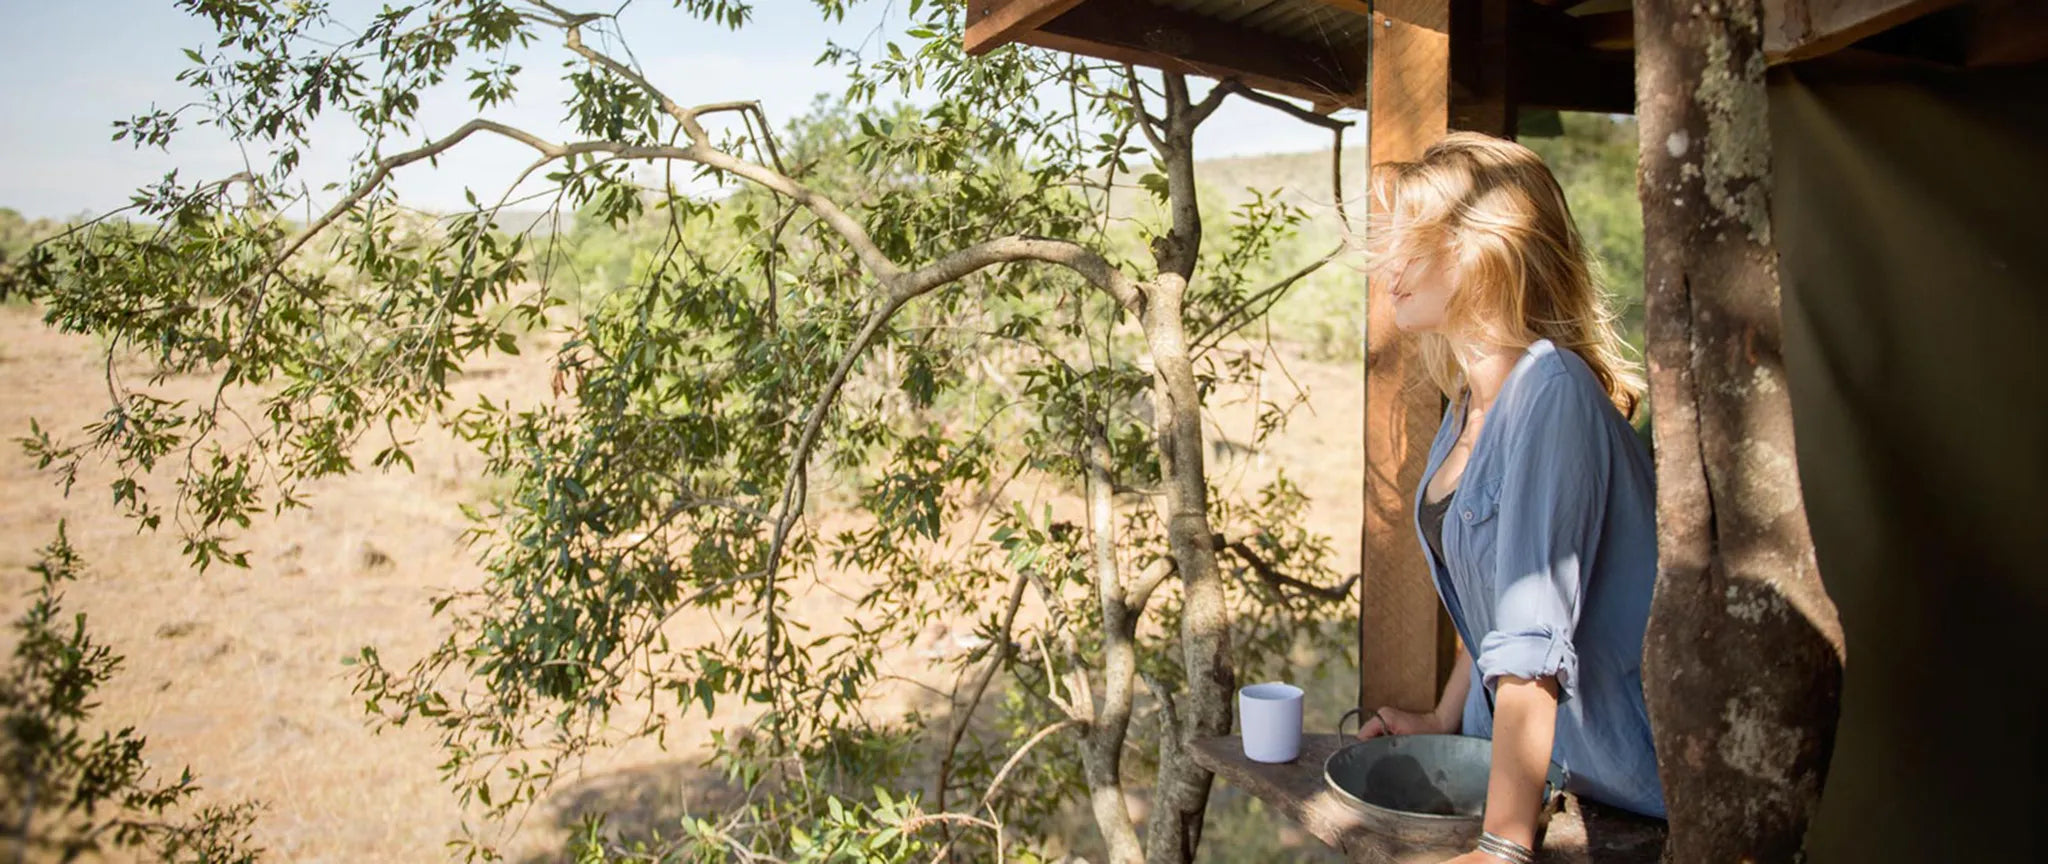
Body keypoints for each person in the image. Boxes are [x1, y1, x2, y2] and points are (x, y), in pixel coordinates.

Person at [1352, 132, 1666, 863]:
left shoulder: (1550, 394)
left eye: (1411, 241)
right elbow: (1494, 601)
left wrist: (1502, 846)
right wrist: (1442, 714)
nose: (1389, 266)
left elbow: (1532, 646)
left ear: (1479, 248)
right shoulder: (1466, 409)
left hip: (1616, 790)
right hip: (1547, 777)